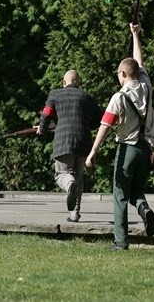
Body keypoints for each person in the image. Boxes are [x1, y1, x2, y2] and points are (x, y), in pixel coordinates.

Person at [86, 23, 154, 250]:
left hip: (127, 149)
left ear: (122, 74)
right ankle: (144, 210)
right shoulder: (146, 86)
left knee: (119, 195)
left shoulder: (118, 98)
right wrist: (136, 35)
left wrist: (93, 151)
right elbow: (140, 63)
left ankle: (120, 242)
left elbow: (105, 125)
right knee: (137, 190)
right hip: (148, 149)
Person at [38, 69, 102, 222]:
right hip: (84, 142)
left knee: (62, 175)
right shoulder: (88, 97)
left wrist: (42, 127)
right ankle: (74, 214)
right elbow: (100, 119)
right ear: (78, 82)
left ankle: (69, 184)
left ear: (63, 82)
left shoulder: (55, 94)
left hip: (63, 141)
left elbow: (47, 113)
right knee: (78, 179)